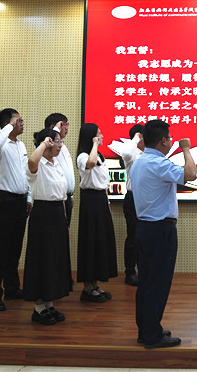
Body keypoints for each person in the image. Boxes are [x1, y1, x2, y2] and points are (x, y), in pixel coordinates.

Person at [130, 119, 196, 349]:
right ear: (163, 141)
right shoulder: (158, 164)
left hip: (145, 228)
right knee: (158, 284)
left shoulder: (140, 162)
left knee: (147, 283)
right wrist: (186, 149)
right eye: (169, 138)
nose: (171, 141)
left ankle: (146, 329)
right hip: (159, 230)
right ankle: (152, 335)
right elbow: (191, 174)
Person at [23, 128, 71, 325]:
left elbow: (62, 195)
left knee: (54, 260)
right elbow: (31, 162)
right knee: (41, 259)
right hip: (43, 215)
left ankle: (49, 304)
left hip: (58, 214)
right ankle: (38, 308)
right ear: (48, 143)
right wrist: (43, 144)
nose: (60, 145)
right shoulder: (38, 164)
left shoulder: (56, 163)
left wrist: (65, 219)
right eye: (57, 142)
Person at [0, 108, 31, 312]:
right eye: (18, 120)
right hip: (4, 201)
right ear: (7, 124)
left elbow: (26, 173)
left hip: (21, 201)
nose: (22, 123)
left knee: (15, 248)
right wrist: (8, 128)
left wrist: (29, 197)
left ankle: (12, 288)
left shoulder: (21, 145)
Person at [75, 123, 118, 302]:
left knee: (100, 241)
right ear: (91, 137)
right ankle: (87, 288)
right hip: (90, 201)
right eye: (98, 134)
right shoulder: (83, 156)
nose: (101, 136)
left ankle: (95, 284)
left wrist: (106, 200)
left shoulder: (99, 155)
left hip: (100, 199)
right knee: (90, 241)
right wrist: (94, 144)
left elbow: (103, 180)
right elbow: (90, 164)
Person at [121, 124, 145, 286]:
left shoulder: (149, 153)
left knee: (145, 236)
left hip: (147, 199)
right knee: (133, 236)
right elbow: (127, 153)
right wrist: (136, 137)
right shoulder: (131, 154)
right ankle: (130, 272)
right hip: (133, 198)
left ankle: (144, 270)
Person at [45, 113, 76, 226]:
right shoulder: (47, 146)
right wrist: (55, 130)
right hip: (55, 199)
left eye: (67, 124)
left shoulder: (63, 146)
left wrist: (70, 195)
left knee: (65, 231)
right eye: (64, 125)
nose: (67, 128)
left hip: (67, 197)